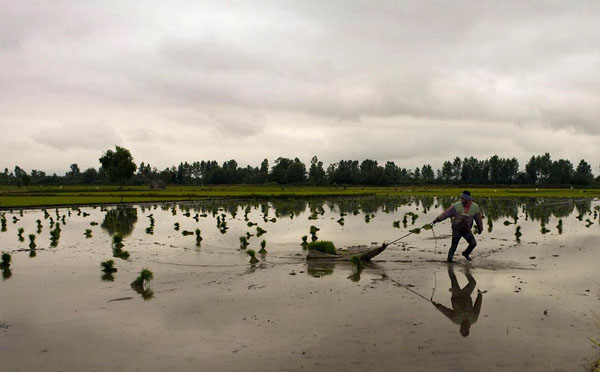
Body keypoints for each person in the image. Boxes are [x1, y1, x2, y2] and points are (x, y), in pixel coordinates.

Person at [432, 190, 483, 263]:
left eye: (463, 199)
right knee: (453, 246)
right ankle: (449, 261)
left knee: (473, 243)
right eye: (461, 198)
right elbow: (446, 213)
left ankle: (466, 253)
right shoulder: (456, 205)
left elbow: (479, 219)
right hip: (457, 230)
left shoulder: (475, 207)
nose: (462, 200)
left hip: (466, 231)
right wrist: (437, 219)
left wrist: (480, 228)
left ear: (468, 199)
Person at [432, 266, 483, 337]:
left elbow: (446, 312)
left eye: (461, 329)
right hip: (466, 295)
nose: (462, 327)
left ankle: (449, 267)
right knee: (473, 283)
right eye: (464, 329)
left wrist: (437, 306)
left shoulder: (456, 320)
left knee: (453, 280)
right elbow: (477, 306)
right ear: (468, 328)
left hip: (456, 296)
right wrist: (480, 295)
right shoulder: (474, 319)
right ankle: (466, 271)